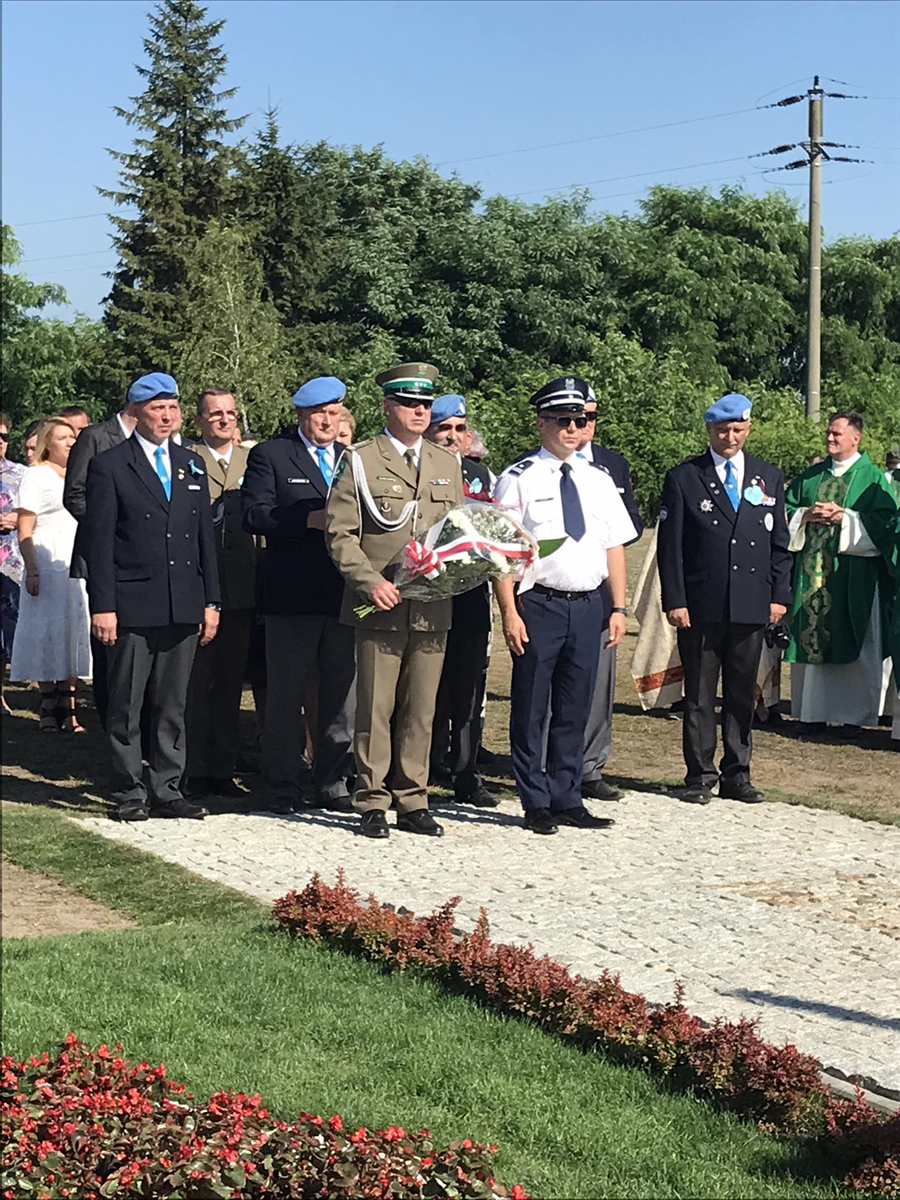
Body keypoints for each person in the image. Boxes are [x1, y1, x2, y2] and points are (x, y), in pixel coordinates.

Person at [325, 362, 464, 838]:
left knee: (421, 709)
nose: (420, 411)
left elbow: (456, 533)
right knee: (375, 707)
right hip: (379, 603)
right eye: (409, 403)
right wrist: (369, 582)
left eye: (425, 404)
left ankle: (413, 798)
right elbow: (341, 534)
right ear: (388, 406)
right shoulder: (362, 459)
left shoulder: (446, 462)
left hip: (432, 606)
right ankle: (371, 798)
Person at [494, 376, 635, 834]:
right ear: (541, 423)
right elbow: (502, 553)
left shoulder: (599, 479)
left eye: (579, 420)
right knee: (532, 705)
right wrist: (509, 612)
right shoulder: (518, 478)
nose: (572, 429)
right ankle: (535, 800)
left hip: (588, 604)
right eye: (562, 420)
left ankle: (567, 795)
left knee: (576, 706)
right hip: (539, 603)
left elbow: (614, 546)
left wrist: (619, 608)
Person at [84, 372, 220, 821]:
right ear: (136, 412)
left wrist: (211, 601)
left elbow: (204, 539)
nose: (167, 416)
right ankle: (129, 790)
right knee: (126, 703)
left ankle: (168, 787)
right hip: (132, 603)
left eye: (173, 407)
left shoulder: (190, 463)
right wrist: (103, 605)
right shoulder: (110, 465)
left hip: (183, 601)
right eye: (157, 408)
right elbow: (100, 543)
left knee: (172, 703)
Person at [657, 393, 792, 805]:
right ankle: (700, 775)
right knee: (699, 694)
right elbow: (671, 547)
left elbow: (779, 544)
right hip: (702, 603)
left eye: (737, 429)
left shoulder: (768, 476)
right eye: (721, 430)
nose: (729, 437)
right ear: (709, 430)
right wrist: (675, 600)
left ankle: (737, 773)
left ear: (748, 428)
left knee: (740, 692)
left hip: (751, 602)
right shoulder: (685, 477)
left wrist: (779, 595)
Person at [242, 376, 356, 815]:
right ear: (301, 415)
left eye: (334, 413)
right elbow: (254, 515)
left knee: (340, 695)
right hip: (292, 594)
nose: (327, 421)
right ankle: (282, 783)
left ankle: (333, 781)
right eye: (319, 414)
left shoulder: (351, 458)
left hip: (343, 593)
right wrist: (306, 520)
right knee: (286, 697)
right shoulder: (272, 454)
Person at [785, 412, 898, 733]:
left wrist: (845, 518)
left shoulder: (872, 478)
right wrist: (805, 515)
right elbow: (785, 510)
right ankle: (811, 715)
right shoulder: (811, 476)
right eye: (829, 432)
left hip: (855, 577)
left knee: (857, 641)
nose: (830, 438)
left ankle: (853, 717)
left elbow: (886, 524)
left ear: (855, 438)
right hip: (811, 577)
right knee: (813, 637)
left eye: (837, 433)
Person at [183, 389, 258, 799]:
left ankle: (223, 768)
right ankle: (193, 768)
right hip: (198, 586)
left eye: (230, 413)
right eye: (215, 414)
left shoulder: (252, 461)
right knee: (196, 684)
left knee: (230, 684)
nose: (225, 420)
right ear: (198, 420)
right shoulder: (185, 459)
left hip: (242, 585)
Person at [425, 394, 498, 807]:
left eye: (459, 428)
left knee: (469, 687)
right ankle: (423, 764)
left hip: (471, 595)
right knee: (424, 686)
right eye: (443, 428)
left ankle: (467, 771)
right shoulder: (417, 468)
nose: (452, 436)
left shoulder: (479, 474)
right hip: (426, 592)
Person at [573, 388, 644, 801]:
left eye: (590, 417)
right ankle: (548, 763)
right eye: (573, 416)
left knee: (598, 684)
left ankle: (590, 767)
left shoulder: (612, 465)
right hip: (552, 588)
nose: (582, 425)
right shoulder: (531, 466)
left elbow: (630, 522)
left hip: (600, 585)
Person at [10, 418, 92, 731]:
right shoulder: (36, 475)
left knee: (73, 626)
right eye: (63, 438)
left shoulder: (82, 472)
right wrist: (32, 569)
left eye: (73, 437)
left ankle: (69, 704)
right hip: (46, 557)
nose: (71, 442)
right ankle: (47, 701)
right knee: (46, 628)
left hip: (76, 556)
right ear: (48, 443)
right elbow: (25, 528)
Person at [64, 395, 139, 727]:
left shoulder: (159, 442)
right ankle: (111, 724)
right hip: (104, 556)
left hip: (147, 560)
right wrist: (115, 526)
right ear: (135, 404)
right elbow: (75, 494)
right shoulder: (95, 437)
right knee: (109, 644)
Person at [1, 412, 26, 713]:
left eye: (4, 436)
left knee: (8, 631)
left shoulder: (21, 474)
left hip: (12, 565)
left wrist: (17, 519)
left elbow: (36, 513)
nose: (0, 441)